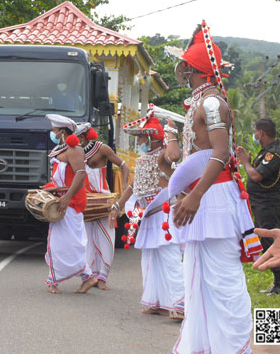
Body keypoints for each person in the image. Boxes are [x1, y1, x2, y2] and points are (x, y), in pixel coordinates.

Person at [171, 21, 260, 354]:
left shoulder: (211, 103)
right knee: (199, 284)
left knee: (224, 283)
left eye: (185, 64)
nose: (180, 69)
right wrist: (183, 190)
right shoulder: (201, 102)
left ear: (193, 68)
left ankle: (236, 348)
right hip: (201, 197)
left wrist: (194, 195)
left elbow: (221, 153)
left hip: (213, 198)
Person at [115, 114, 184, 320]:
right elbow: (133, 186)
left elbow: (175, 155)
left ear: (152, 137)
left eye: (142, 138)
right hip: (148, 214)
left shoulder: (163, 155)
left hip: (162, 213)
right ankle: (158, 302)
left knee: (170, 259)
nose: (139, 143)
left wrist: (171, 131)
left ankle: (181, 303)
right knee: (150, 260)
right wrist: (117, 205)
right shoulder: (143, 159)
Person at [43, 114, 96, 294]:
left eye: (54, 130)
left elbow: (80, 175)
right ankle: (76, 278)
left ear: (62, 132)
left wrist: (66, 197)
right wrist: (50, 190)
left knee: (69, 242)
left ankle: (84, 277)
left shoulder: (74, 149)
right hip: (62, 199)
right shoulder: (63, 148)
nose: (52, 133)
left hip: (71, 202)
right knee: (59, 241)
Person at [75, 123, 129, 290]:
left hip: (103, 200)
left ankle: (103, 277)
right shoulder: (74, 152)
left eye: (76, 138)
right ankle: (89, 275)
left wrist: (125, 185)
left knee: (106, 238)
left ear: (83, 137)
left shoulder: (102, 148)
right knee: (86, 240)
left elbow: (124, 165)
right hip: (84, 201)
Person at [237, 118, 280, 294]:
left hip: (268, 204)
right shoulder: (264, 152)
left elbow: (256, 176)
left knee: (271, 241)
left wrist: (245, 162)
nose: (254, 134)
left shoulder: (274, 154)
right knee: (266, 241)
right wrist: (249, 161)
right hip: (261, 203)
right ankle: (279, 283)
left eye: (255, 131)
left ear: (261, 133)